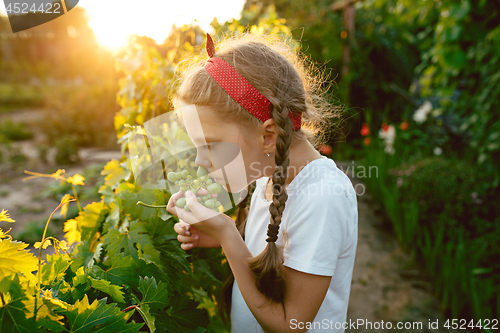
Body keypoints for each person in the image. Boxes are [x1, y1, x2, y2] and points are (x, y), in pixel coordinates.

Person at [167, 32, 358, 333]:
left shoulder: (323, 197)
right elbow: (274, 247)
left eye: (211, 146)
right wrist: (216, 237)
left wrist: (228, 234)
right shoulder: (268, 174)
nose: (200, 162)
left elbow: (289, 324)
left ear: (268, 135)